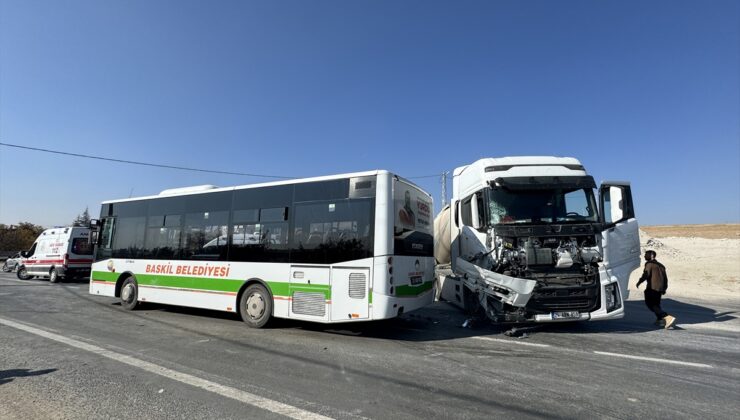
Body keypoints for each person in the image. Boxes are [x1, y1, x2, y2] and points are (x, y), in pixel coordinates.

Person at [636, 250, 676, 329]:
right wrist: (664, 288)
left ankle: (667, 317)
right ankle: (660, 320)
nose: (644, 256)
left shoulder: (649, 264)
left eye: (646, 255)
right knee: (656, 305)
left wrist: (639, 282)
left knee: (650, 304)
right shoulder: (661, 265)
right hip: (660, 289)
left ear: (652, 256)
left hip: (652, 288)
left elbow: (646, 274)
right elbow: (665, 278)